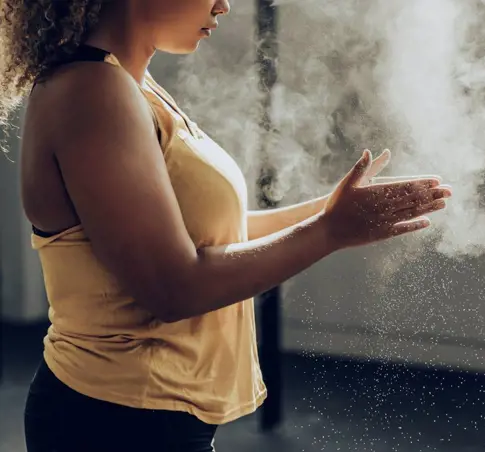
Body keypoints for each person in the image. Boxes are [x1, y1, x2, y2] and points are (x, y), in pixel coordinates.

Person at [0, 1, 452, 451]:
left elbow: (207, 235)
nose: (224, 4)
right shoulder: (91, 91)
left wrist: (336, 213)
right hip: (113, 420)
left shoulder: (132, 84)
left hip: (151, 414)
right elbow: (173, 287)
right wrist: (330, 231)